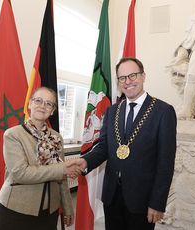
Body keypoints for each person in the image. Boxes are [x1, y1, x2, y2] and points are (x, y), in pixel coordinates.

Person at [74, 57, 177, 230]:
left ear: (143, 76)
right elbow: (103, 148)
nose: (127, 82)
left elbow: (165, 163)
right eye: (122, 78)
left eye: (133, 75)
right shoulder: (112, 110)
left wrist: (157, 202)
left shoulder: (163, 111)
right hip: (112, 196)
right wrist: (85, 161)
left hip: (142, 200)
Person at [0, 87, 81, 229]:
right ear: (29, 104)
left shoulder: (56, 138)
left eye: (48, 103)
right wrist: (62, 169)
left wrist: (68, 207)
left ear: (52, 110)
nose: (42, 106)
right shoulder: (13, 134)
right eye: (38, 100)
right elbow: (20, 173)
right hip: (17, 209)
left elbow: (62, 178)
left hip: (49, 211)